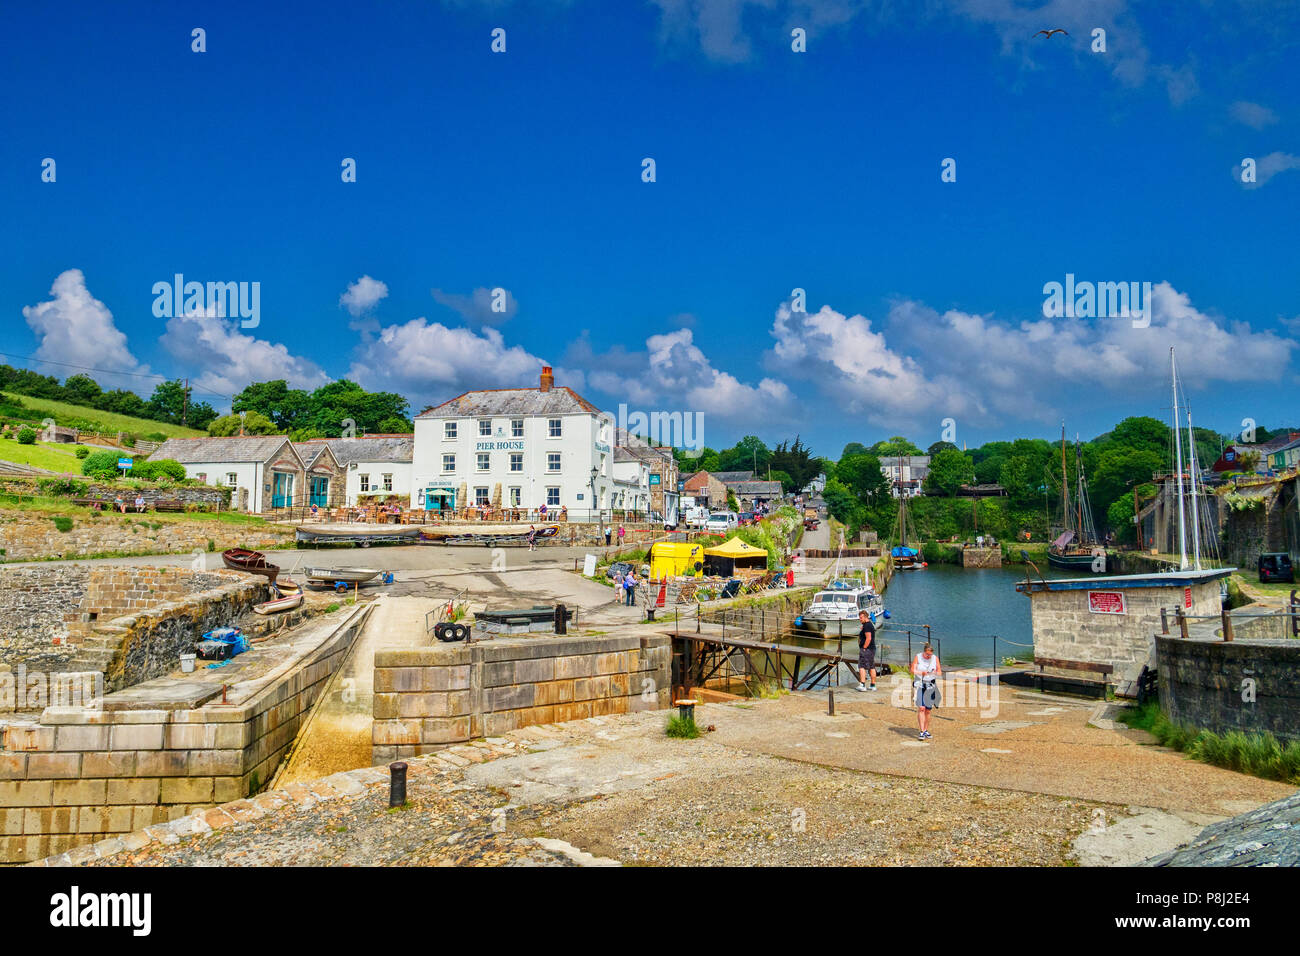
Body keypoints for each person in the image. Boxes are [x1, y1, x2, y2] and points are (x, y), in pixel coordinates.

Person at [911, 643, 942, 740]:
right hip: (920, 684)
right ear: (924, 652)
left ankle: (926, 730)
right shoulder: (918, 657)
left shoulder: (935, 658)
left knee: (928, 710)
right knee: (921, 708)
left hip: (930, 685)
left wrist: (935, 673)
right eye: (927, 654)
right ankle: (921, 731)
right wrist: (921, 673)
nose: (928, 656)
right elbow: (912, 670)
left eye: (930, 655)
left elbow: (940, 672)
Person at [856, 610, 877, 691]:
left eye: (861, 618)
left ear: (865, 617)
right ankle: (872, 685)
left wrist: (864, 648)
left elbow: (868, 638)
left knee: (862, 666)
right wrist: (863, 628)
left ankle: (862, 684)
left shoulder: (867, 626)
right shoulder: (868, 625)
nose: (860, 619)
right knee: (871, 666)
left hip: (867, 649)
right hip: (871, 649)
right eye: (859, 618)